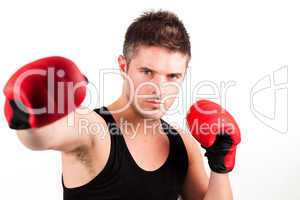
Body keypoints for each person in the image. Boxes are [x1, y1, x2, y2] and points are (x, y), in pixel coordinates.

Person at [3, 10, 240, 200]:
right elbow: (40, 137)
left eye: (172, 76)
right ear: (123, 65)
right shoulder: (95, 130)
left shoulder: (183, 143)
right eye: (147, 71)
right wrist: (27, 110)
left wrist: (220, 166)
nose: (158, 87)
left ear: (184, 74)